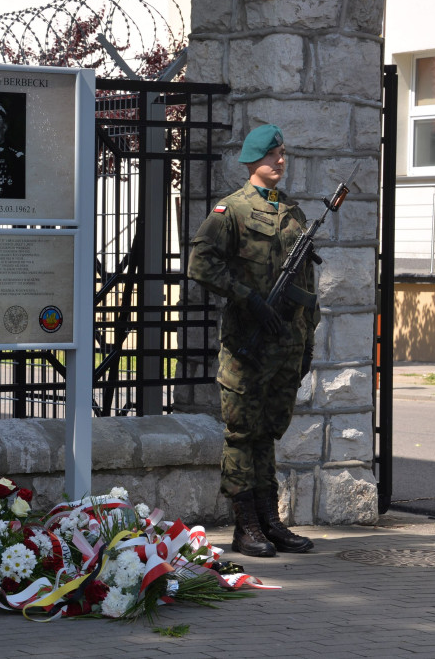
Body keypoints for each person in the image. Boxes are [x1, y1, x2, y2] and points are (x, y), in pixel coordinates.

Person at [187, 124, 318, 558]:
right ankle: (245, 527)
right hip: (249, 343)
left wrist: (308, 338)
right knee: (243, 434)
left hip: (286, 342)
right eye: (272, 154)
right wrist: (247, 298)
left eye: (283, 153)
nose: (280, 161)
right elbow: (200, 264)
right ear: (252, 161)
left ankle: (270, 522)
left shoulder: (293, 212)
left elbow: (306, 281)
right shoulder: (233, 210)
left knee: (267, 434)